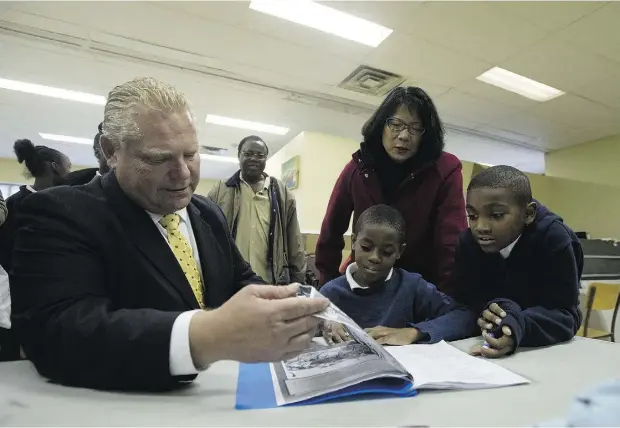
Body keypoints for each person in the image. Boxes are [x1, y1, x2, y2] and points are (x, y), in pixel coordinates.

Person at [10, 77, 328, 391]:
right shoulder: (59, 213)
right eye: (159, 158)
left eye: (190, 154)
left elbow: (240, 281)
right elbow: (56, 332)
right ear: (111, 151)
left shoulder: (207, 213)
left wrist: (296, 309)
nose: (184, 174)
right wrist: (207, 336)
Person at [315, 86, 467, 295]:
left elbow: (450, 243)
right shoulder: (359, 167)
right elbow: (331, 231)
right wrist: (328, 289)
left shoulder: (445, 169)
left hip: (419, 287)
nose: (404, 136)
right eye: (395, 124)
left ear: (425, 134)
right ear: (381, 126)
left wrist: (442, 302)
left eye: (415, 128)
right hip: (365, 281)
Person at [455, 166, 582, 358]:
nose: (480, 227)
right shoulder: (467, 243)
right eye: (472, 216)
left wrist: (518, 326)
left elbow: (566, 315)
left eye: (496, 215)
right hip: (484, 347)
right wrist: (487, 315)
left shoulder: (554, 238)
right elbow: (469, 302)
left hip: (546, 352)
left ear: (528, 214)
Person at [320, 205, 473, 346]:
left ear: (400, 251)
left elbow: (464, 317)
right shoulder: (330, 293)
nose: (374, 257)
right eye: (366, 247)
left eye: (387, 252)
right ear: (353, 242)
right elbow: (303, 328)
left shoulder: (412, 286)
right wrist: (324, 323)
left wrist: (413, 332)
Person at [208, 135, 307, 284]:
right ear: (239, 156)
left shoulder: (282, 194)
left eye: (260, 155)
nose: (254, 158)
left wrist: (298, 279)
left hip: (270, 282)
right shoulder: (220, 191)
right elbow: (206, 235)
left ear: (266, 159)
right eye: (248, 154)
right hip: (230, 283)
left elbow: (295, 242)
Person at [0, 139, 72, 271]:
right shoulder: (14, 204)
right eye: (69, 167)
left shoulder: (66, 201)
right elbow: (5, 249)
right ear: (55, 166)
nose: (70, 173)